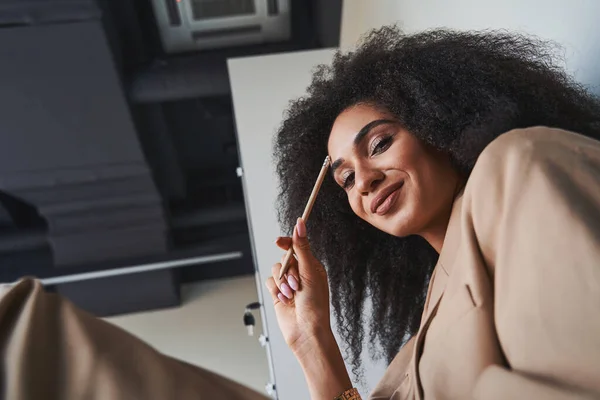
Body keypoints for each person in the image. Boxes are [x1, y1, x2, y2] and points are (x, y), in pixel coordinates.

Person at [267, 26, 600, 399]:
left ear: (439, 124)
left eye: (379, 144)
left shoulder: (514, 166)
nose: (363, 181)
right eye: (345, 178)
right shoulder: (418, 342)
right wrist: (311, 340)